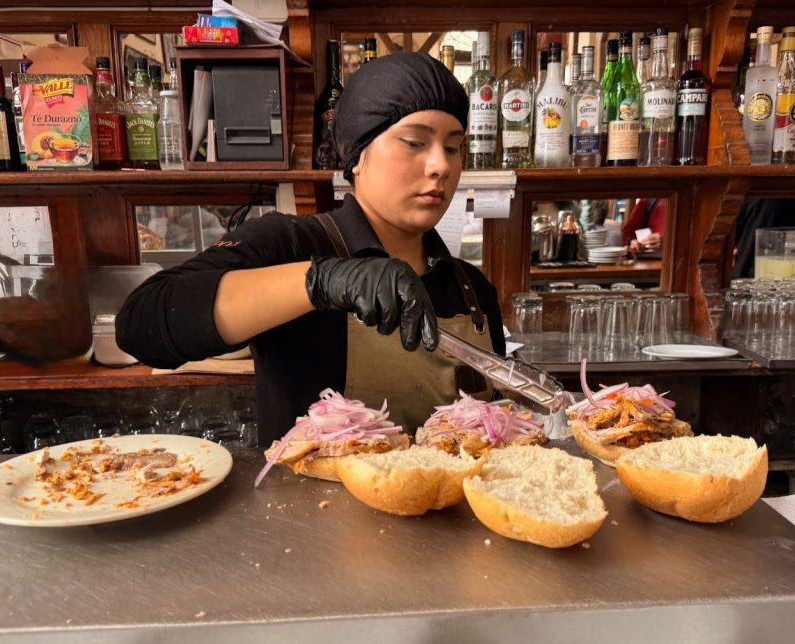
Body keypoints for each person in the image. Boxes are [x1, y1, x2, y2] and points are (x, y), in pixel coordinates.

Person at [116, 53, 505, 445]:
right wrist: (320, 281)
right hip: (302, 506)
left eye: (453, 147)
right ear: (357, 155)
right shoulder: (290, 244)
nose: (441, 165)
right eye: (415, 142)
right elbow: (141, 324)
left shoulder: (471, 288)